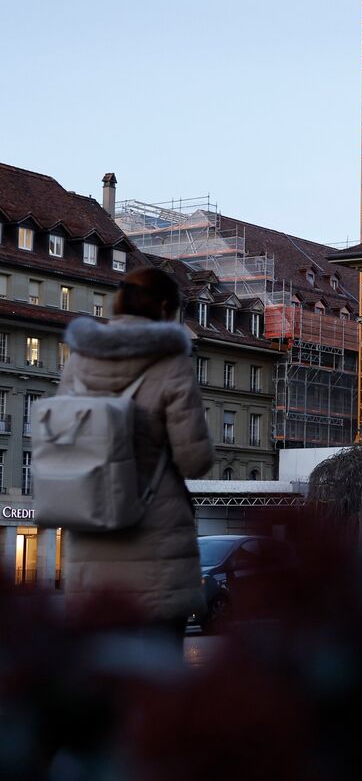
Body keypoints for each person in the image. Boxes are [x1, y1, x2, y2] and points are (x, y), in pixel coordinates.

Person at [59, 267, 215, 650]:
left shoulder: (79, 360)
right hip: (157, 546)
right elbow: (194, 460)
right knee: (159, 675)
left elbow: (65, 437)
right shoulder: (172, 362)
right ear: (164, 308)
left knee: (104, 673)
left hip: (92, 537)